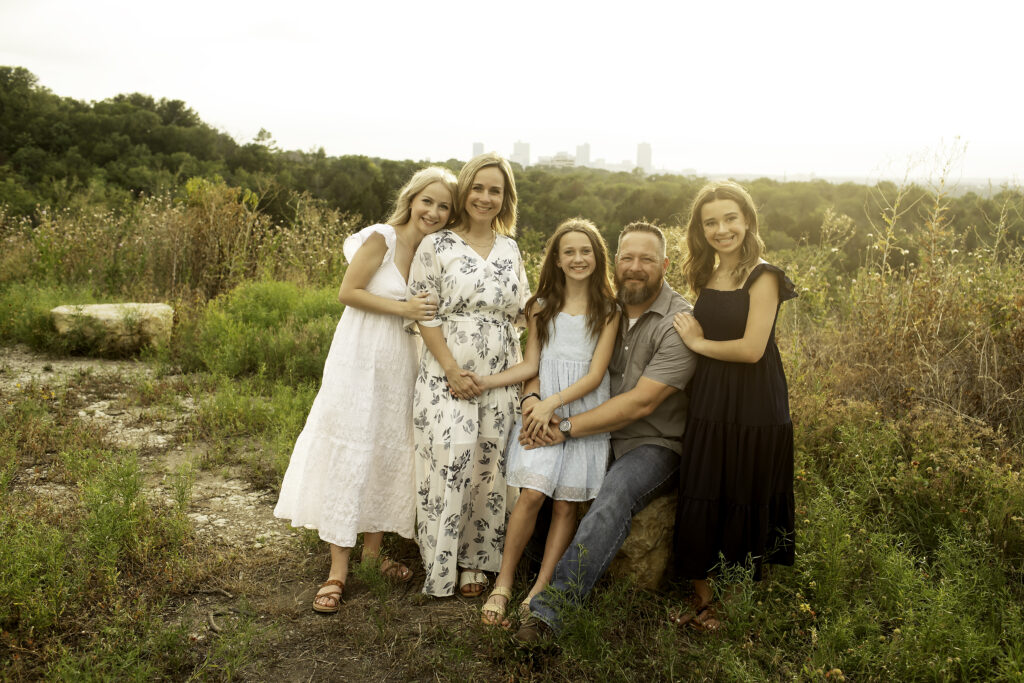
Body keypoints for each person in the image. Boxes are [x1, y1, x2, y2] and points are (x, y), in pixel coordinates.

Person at [274, 166, 457, 614]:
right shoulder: (382, 237)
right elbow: (348, 291)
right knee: (354, 447)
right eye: (427, 201)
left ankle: (373, 556)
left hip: (401, 361)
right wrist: (403, 306)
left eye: (443, 206)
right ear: (412, 199)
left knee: (386, 448)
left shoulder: (434, 252)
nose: (433, 211)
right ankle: (338, 569)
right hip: (359, 356)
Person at [514, 221, 697, 642]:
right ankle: (516, 574)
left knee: (614, 492)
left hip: (653, 442)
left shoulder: (678, 322)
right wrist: (534, 406)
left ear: (665, 265)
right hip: (595, 432)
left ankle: (550, 611)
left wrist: (565, 427)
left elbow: (641, 403)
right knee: (540, 477)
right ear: (614, 263)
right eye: (627, 258)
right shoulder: (604, 308)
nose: (635, 267)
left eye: (647, 259)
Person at [468, 218, 619, 626]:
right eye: (568, 251)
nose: (577, 258)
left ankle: (540, 588)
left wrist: (553, 404)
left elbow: (594, 374)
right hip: (540, 411)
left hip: (581, 411)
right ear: (556, 257)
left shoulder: (609, 309)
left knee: (567, 505)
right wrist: (518, 394)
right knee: (532, 494)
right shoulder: (540, 305)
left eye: (585, 251)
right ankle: (504, 580)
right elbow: (531, 363)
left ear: (598, 256)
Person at [669, 181, 796, 630]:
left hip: (754, 400)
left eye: (730, 219)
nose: (722, 229)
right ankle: (705, 601)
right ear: (700, 230)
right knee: (703, 485)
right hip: (710, 395)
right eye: (711, 222)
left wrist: (698, 342)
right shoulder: (704, 274)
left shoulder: (764, 276)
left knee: (744, 491)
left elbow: (751, 350)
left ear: (747, 221)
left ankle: (736, 600)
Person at [408, 152, 531, 598]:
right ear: (464, 191)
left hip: (500, 373)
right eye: (477, 188)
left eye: (494, 190)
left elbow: (525, 310)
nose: (484, 197)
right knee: (449, 460)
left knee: (488, 464)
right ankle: (439, 562)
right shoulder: (437, 244)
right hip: (446, 369)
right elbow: (424, 311)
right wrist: (451, 369)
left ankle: (476, 562)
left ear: (505, 198)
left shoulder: (511, 249)